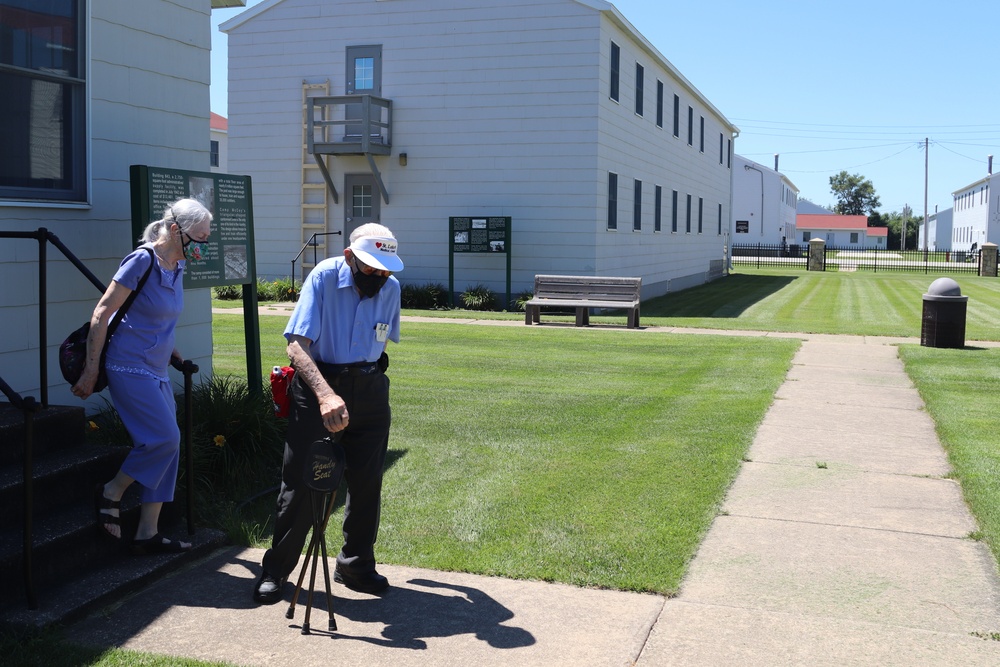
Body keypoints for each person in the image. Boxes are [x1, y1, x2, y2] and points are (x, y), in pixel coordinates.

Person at [254, 223, 403, 604]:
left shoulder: (391, 288)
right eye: (371, 268)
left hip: (369, 390)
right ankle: (277, 569)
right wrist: (325, 394)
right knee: (303, 482)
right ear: (349, 257)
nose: (379, 277)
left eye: (385, 269)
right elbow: (296, 348)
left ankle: (356, 565)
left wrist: (361, 384)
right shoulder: (322, 277)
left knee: (367, 482)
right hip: (319, 385)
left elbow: (377, 341)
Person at [75, 198, 213, 555]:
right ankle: (111, 491)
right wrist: (92, 370)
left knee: (172, 444)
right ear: (174, 230)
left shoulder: (177, 265)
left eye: (205, 239)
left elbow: (159, 317)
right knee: (163, 439)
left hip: (156, 367)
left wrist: (172, 350)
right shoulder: (143, 260)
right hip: (127, 364)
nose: (201, 247)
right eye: (197, 238)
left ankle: (147, 532)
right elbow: (103, 312)